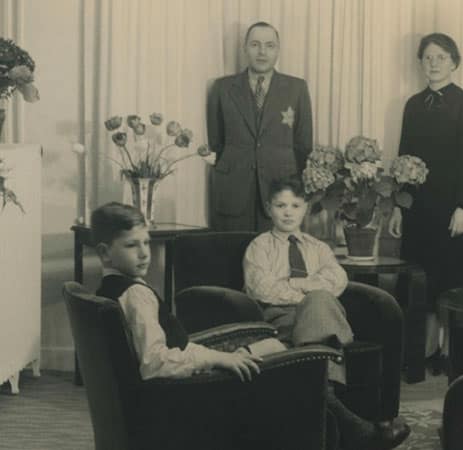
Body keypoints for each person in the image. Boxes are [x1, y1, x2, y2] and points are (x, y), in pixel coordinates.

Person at [243, 177, 410, 450]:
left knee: (321, 300)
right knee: (319, 298)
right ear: (268, 208)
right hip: (283, 317)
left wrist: (296, 286)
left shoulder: (318, 247)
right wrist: (308, 289)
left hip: (321, 312)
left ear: (305, 208)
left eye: (295, 205)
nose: (287, 212)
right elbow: (260, 288)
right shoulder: (259, 247)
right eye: (280, 205)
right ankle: (349, 420)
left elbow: (337, 279)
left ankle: (330, 402)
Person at [91, 202, 270, 449]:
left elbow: (169, 348)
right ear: (104, 253)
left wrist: (216, 355)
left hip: (174, 383)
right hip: (181, 395)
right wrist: (217, 360)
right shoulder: (136, 295)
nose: (144, 253)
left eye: (146, 242)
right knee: (282, 355)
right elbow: (154, 364)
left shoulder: (107, 291)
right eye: (132, 245)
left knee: (270, 344)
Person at [388, 33, 463, 366]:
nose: (434, 64)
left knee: (453, 283)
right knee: (420, 285)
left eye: (441, 57)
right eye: (428, 57)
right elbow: (404, 158)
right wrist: (400, 206)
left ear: (454, 62)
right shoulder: (412, 105)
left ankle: (452, 355)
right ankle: (420, 355)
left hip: (452, 210)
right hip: (419, 211)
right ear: (420, 64)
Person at [207, 21, 313, 232]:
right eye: (255, 44)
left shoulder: (297, 88)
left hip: (281, 192)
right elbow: (215, 143)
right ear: (244, 48)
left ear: (278, 50)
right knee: (232, 257)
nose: (262, 52)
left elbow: (303, 143)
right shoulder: (222, 88)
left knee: (278, 260)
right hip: (233, 192)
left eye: (270, 45)